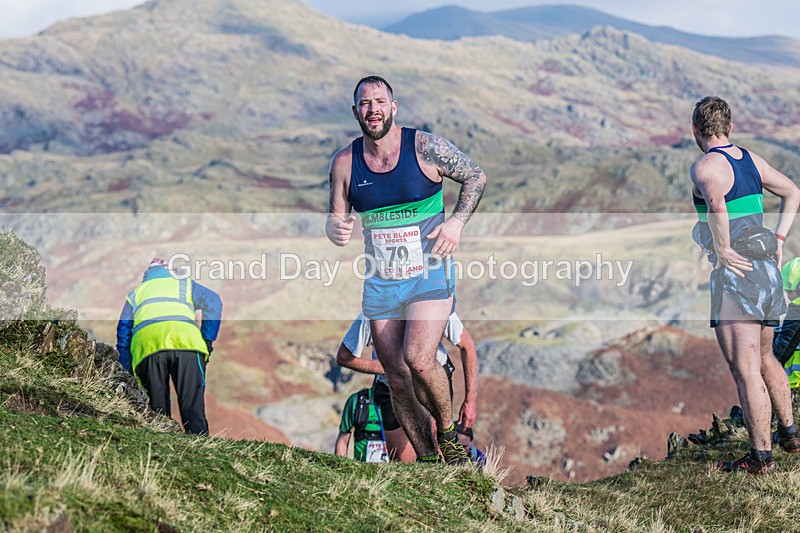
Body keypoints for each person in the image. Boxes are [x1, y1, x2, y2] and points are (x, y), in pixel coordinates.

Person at [326, 75, 486, 464]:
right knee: (396, 378)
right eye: (365, 104)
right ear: (355, 112)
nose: (373, 109)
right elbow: (335, 219)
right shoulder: (345, 163)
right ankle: (431, 461)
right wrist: (334, 229)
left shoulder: (425, 147)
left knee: (417, 357)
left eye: (380, 102)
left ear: (393, 107)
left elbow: (475, 176)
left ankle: (447, 433)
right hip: (382, 281)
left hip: (429, 271)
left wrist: (456, 223)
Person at [690, 96, 800, 474]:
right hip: (767, 273)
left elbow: (717, 206)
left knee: (747, 369)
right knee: (767, 358)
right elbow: (793, 191)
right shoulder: (751, 160)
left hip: (738, 276)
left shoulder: (706, 166)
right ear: (729, 127)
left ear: (695, 130)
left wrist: (722, 248)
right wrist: (781, 239)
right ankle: (790, 434)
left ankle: (761, 459)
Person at [336, 311, 478, 462]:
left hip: (431, 380)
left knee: (436, 445)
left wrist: (470, 400)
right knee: (403, 461)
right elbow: (344, 357)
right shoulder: (371, 313)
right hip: (391, 385)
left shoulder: (433, 303)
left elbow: (467, 346)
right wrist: (389, 367)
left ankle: (445, 476)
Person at [116, 258, 222, 435]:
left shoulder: (135, 294)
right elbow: (214, 302)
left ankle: (162, 448)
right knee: (192, 404)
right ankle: (201, 449)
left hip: (147, 349)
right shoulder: (185, 285)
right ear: (169, 272)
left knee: (157, 409)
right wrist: (206, 340)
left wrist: (127, 372)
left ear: (147, 277)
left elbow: (123, 333)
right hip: (187, 344)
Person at [334, 386, 389, 463]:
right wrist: (340, 468)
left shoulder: (404, 403)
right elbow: (343, 440)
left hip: (394, 472)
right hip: (362, 471)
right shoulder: (356, 400)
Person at [772, 257, 800, 391]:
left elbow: (783, 347)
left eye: (790, 291)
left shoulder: (798, 307)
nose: (788, 296)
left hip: (795, 382)